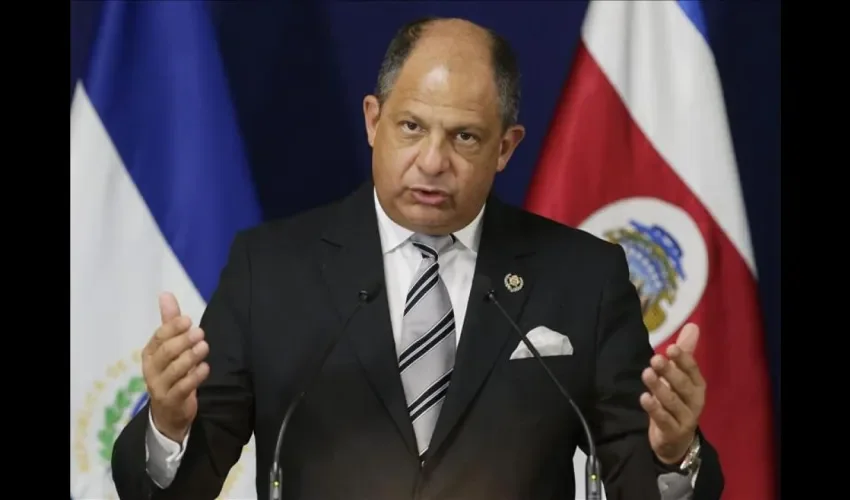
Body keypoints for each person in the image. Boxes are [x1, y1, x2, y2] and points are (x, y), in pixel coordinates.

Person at [111, 16, 724, 500]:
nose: (432, 162)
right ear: (373, 121)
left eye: (464, 137)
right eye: (411, 127)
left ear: (506, 148)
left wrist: (674, 455)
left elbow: (640, 476)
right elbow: (173, 489)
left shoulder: (582, 278)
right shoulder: (269, 272)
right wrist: (168, 425)